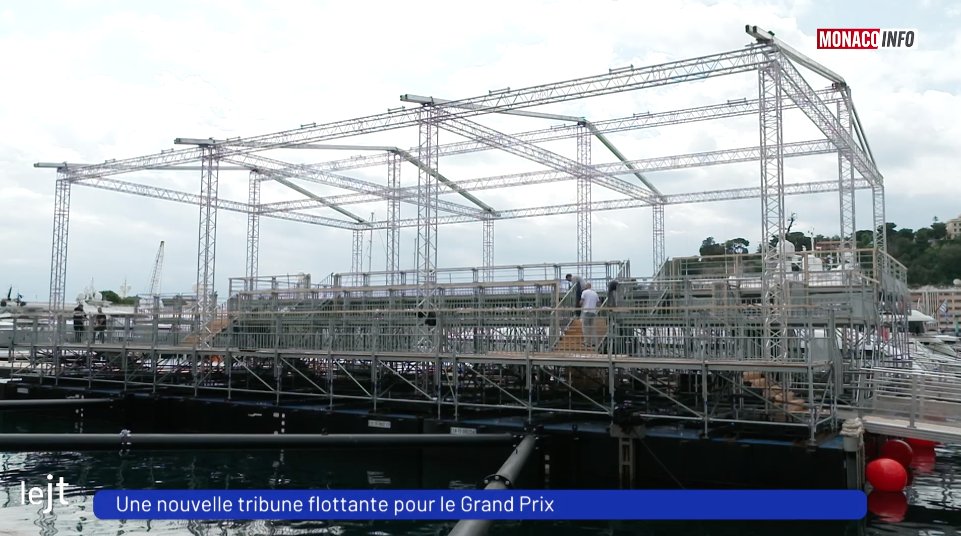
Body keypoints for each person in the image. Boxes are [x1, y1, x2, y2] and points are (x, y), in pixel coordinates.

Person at [580, 283, 600, 348]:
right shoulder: (595, 293)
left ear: (586, 286)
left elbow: (582, 301)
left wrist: (579, 305)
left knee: (585, 327)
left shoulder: (584, 292)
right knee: (592, 328)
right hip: (593, 312)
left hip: (586, 311)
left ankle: (587, 343)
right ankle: (594, 343)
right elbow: (598, 303)